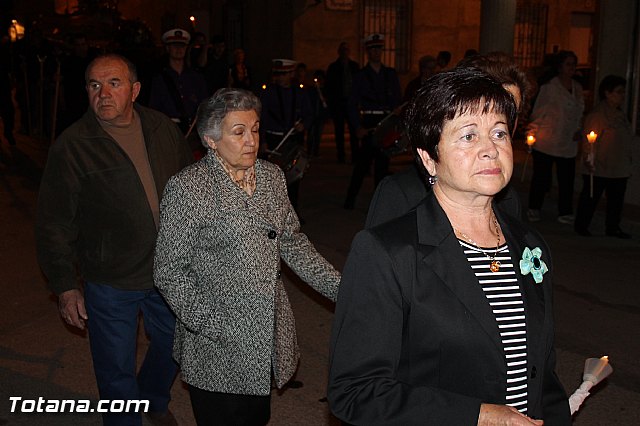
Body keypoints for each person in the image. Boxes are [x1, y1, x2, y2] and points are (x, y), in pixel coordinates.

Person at [328, 67, 570, 425]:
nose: (490, 150)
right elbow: (355, 391)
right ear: (429, 157)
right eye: (468, 136)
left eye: (499, 133)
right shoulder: (388, 251)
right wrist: (479, 416)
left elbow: (542, 372)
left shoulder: (528, 244)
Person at [153, 88, 341, 426]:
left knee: (256, 418)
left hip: (264, 333)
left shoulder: (271, 177)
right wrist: (212, 325)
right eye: (238, 132)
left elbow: (292, 243)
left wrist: (344, 289)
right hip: (215, 341)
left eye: (254, 129)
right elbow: (169, 271)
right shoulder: (188, 188)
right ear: (211, 139)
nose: (252, 140)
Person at [35, 54, 193, 426]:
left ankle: (152, 398)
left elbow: (192, 187)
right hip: (110, 279)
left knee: (177, 342)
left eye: (114, 84)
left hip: (168, 270)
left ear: (134, 90)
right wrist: (64, 287)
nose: (103, 93)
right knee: (115, 370)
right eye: (94, 85)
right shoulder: (73, 145)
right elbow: (53, 222)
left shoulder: (160, 128)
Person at [366, 52, 531, 228]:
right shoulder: (402, 193)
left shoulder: (509, 200)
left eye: (511, 114)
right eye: (469, 135)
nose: (490, 147)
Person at [343, 33, 402, 209]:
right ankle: (350, 199)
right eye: (373, 49)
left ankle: (379, 205)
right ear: (368, 52)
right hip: (369, 121)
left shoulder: (390, 74)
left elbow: (397, 99)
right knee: (363, 164)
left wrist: (397, 111)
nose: (376, 52)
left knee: (383, 166)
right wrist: (357, 126)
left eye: (379, 49)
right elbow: (351, 103)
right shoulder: (360, 76)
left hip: (386, 122)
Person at [526, 50, 584, 224]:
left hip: (567, 142)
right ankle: (534, 207)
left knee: (567, 178)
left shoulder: (578, 88)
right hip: (547, 140)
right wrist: (532, 133)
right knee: (541, 177)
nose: (572, 68)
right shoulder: (550, 87)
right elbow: (539, 112)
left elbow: (579, 112)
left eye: (574, 64)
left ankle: (565, 210)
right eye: (568, 64)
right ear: (559, 67)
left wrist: (579, 129)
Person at [574, 75, 635, 239]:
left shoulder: (620, 114)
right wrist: (588, 158)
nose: (622, 96)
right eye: (619, 92)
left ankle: (613, 226)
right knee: (591, 196)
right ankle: (582, 224)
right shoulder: (598, 115)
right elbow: (589, 139)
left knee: (616, 199)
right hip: (600, 165)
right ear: (607, 93)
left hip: (618, 166)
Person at [260, 58, 313, 214]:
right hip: (273, 139)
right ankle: (272, 215)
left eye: (284, 74)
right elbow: (261, 119)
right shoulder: (268, 92)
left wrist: (304, 125)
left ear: (291, 73)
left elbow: (309, 114)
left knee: (293, 179)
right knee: (272, 181)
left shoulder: (300, 92)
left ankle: (292, 214)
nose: (280, 78)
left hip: (292, 139)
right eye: (278, 74)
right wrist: (262, 141)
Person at [148, 28, 208, 136]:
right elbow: (153, 109)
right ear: (167, 48)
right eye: (174, 46)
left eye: (182, 46)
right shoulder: (159, 79)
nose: (178, 49)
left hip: (193, 133)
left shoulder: (196, 78)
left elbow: (204, 106)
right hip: (168, 131)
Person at [325, 41, 360, 163]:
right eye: (343, 50)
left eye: (347, 50)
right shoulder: (333, 67)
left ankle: (355, 156)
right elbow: (329, 87)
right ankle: (341, 155)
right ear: (339, 52)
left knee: (354, 130)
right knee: (339, 131)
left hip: (351, 102)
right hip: (338, 103)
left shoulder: (354, 67)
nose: (345, 53)